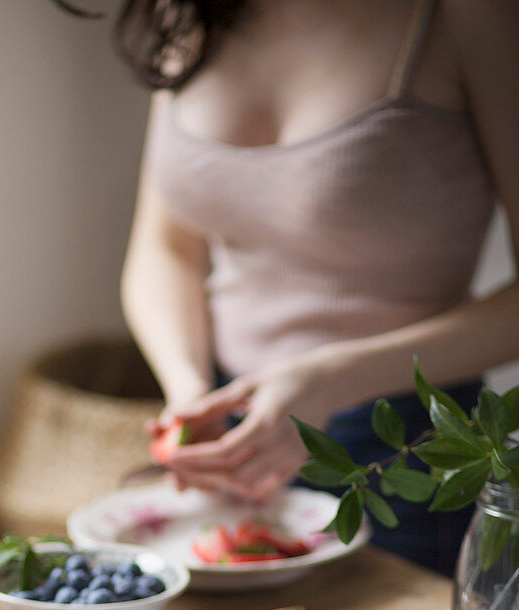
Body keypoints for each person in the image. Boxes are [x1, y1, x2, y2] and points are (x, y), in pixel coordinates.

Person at [112, 0, 519, 575]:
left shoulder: (470, 17)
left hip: (404, 449)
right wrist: (187, 393)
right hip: (228, 431)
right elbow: (166, 249)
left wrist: (333, 378)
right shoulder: (189, 11)